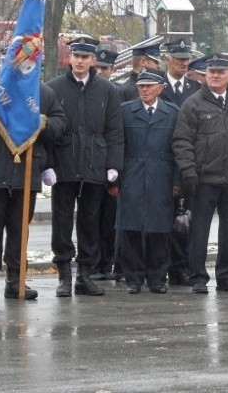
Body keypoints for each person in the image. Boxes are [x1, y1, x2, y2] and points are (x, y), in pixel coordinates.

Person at [0, 72, 66, 301]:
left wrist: (40, 122)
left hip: (26, 170)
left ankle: (16, 280)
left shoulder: (43, 93)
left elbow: (59, 126)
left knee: (20, 230)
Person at [172, 54, 228, 294]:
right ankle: (198, 277)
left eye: (221, 72)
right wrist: (188, 171)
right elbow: (182, 141)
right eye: (212, 72)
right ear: (205, 74)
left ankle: (226, 276)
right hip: (204, 179)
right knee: (199, 231)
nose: (216, 76)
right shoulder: (193, 103)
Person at [46, 37, 124, 297]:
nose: (79, 61)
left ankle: (86, 276)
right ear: (69, 58)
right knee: (62, 221)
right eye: (75, 56)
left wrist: (113, 164)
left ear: (93, 60)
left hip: (94, 165)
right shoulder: (52, 88)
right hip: (63, 165)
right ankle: (64, 276)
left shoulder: (107, 91)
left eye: (85, 57)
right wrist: (47, 165)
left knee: (90, 222)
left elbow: (115, 130)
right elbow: (44, 131)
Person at [118, 68, 180, 294]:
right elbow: (119, 146)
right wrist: (115, 178)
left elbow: (178, 150)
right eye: (141, 86)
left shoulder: (172, 113)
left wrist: (177, 181)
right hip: (132, 175)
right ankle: (133, 278)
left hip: (161, 177)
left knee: (159, 230)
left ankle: (157, 278)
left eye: (149, 86)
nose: (143, 90)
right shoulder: (125, 111)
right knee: (131, 229)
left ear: (160, 88)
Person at [159, 38, 201, 286]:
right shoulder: (157, 84)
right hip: (163, 160)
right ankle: (159, 267)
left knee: (185, 218)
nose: (184, 63)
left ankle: (181, 267)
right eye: (179, 59)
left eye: (187, 59)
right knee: (162, 218)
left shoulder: (196, 89)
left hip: (188, 162)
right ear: (168, 59)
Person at [90, 46, 120, 281]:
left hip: (109, 167)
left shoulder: (115, 93)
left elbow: (118, 133)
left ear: (112, 70)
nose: (100, 72)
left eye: (105, 68)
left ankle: (107, 263)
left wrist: (116, 169)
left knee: (109, 219)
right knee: (89, 218)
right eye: (97, 67)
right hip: (88, 165)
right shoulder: (86, 91)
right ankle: (90, 263)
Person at [120, 36, 163, 102]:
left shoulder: (124, 90)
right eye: (156, 62)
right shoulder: (126, 91)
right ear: (143, 62)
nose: (159, 66)